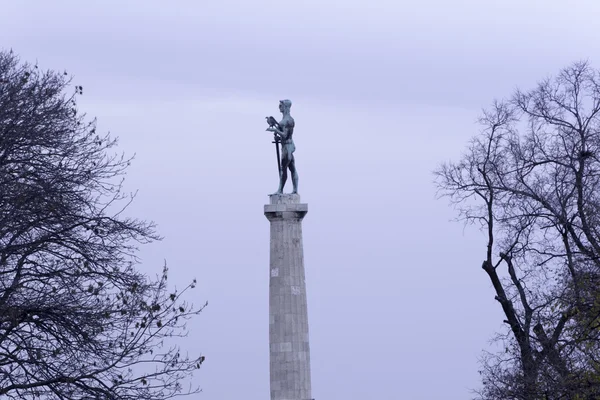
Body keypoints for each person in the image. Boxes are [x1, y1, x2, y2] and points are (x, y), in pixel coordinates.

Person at [266, 99, 298, 194]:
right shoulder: (284, 120)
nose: (279, 107)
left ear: (286, 107)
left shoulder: (288, 120)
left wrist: (275, 131)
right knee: (292, 167)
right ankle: (294, 190)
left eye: (281, 105)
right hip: (286, 146)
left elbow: (285, 135)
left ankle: (280, 190)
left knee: (283, 169)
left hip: (287, 147)